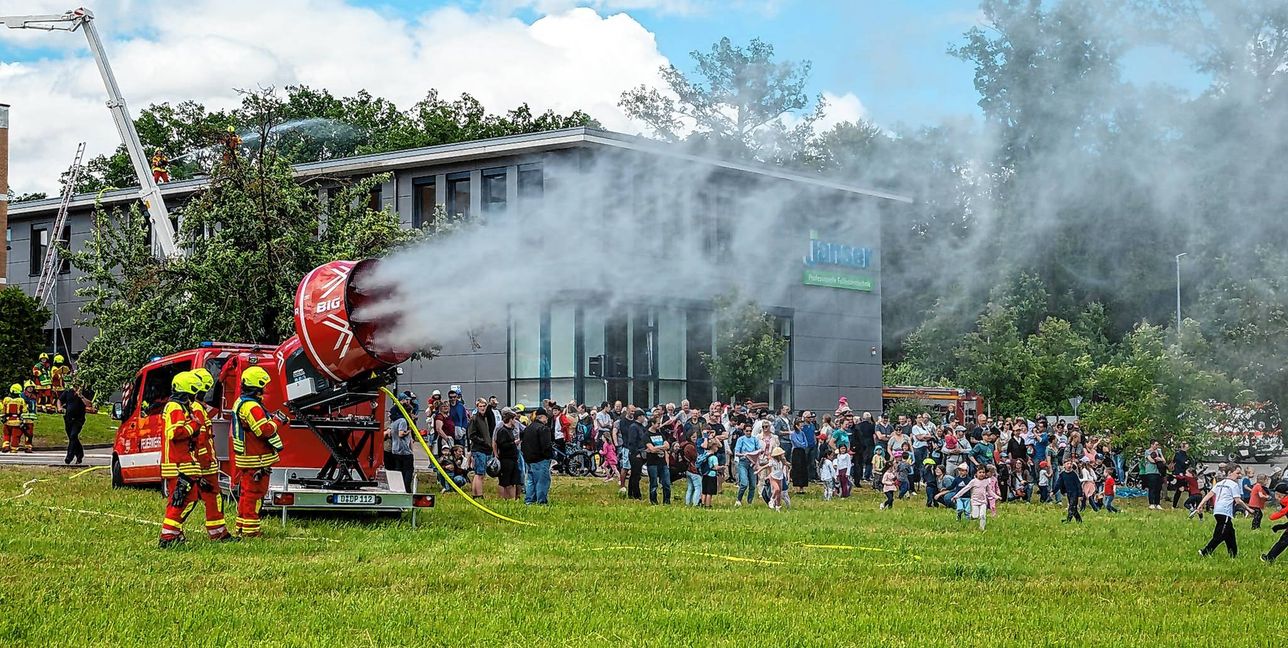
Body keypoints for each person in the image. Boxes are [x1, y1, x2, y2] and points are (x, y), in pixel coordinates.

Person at [232, 366, 285, 538]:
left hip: (250, 457)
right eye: (263, 385)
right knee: (254, 494)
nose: (265, 389)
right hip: (256, 458)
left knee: (246, 493)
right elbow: (264, 430)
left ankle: (241, 526)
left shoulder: (241, 402)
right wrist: (277, 421)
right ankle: (251, 530)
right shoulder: (252, 406)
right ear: (258, 385)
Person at [158, 372, 204, 547]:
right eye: (195, 392)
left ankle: (173, 534)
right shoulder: (176, 408)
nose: (196, 396)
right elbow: (174, 433)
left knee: (186, 499)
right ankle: (168, 537)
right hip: (178, 464)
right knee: (181, 500)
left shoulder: (182, 407)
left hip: (183, 462)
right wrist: (194, 425)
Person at [188, 369, 233, 542]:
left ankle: (218, 532)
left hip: (203, 464)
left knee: (213, 497)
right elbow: (201, 439)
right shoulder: (197, 409)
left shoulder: (198, 407)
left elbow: (213, 412)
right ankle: (217, 533)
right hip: (203, 464)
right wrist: (205, 463)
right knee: (209, 497)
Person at [1195, 464, 1251, 558]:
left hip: (1217, 511)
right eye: (1237, 473)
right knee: (1220, 534)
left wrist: (1201, 504)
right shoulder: (1234, 485)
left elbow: (1210, 494)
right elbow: (1238, 500)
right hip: (1225, 512)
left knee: (1230, 533)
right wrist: (1249, 509)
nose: (1239, 475)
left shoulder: (1220, 483)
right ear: (1229, 473)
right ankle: (1205, 552)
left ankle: (1233, 554)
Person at [520, 409, 554, 505]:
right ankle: (541, 501)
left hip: (529, 459)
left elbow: (523, 443)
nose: (547, 419)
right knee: (542, 481)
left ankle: (529, 500)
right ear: (542, 417)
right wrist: (548, 456)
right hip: (541, 459)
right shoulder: (544, 429)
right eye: (546, 417)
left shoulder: (528, 428)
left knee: (530, 480)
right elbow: (546, 446)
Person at [385, 396, 415, 494]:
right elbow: (401, 434)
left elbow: (390, 434)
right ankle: (407, 490)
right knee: (408, 471)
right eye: (410, 412)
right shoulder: (402, 421)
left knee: (398, 471)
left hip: (395, 450)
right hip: (404, 451)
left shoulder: (394, 422)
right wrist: (409, 431)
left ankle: (398, 489)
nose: (411, 414)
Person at [466, 398, 493, 498]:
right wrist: (483, 442)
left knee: (481, 473)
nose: (482, 408)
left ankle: (476, 494)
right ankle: (478, 495)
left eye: (484, 406)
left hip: (485, 448)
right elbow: (471, 435)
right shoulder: (474, 419)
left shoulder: (485, 418)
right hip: (478, 448)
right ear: (477, 407)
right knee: (479, 473)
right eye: (480, 406)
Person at [493, 408, 522, 500]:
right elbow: (502, 444)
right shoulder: (502, 430)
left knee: (513, 481)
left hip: (513, 458)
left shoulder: (510, 430)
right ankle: (503, 498)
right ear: (510, 419)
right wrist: (514, 443)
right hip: (506, 459)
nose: (515, 421)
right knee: (504, 481)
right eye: (514, 419)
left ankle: (512, 498)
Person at [953, 466, 992, 530]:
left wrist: (996, 496)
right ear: (976, 473)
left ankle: (982, 529)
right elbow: (965, 489)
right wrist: (957, 496)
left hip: (983, 502)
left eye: (983, 472)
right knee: (975, 516)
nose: (982, 474)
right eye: (980, 472)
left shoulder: (986, 481)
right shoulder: (973, 481)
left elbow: (989, 491)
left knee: (983, 516)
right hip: (975, 501)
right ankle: (970, 516)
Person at [645, 415, 672, 505]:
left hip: (663, 463)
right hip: (652, 463)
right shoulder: (647, 435)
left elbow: (667, 446)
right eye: (658, 423)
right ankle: (653, 501)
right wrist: (661, 448)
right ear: (652, 424)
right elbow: (651, 449)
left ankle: (667, 501)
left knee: (666, 483)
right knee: (654, 484)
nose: (659, 425)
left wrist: (657, 448)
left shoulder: (660, 434)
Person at [733, 422, 762, 506]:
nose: (748, 432)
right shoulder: (741, 440)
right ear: (744, 431)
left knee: (753, 484)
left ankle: (749, 502)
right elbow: (737, 452)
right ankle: (739, 499)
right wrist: (744, 454)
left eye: (750, 431)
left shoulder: (755, 439)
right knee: (744, 483)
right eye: (747, 431)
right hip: (743, 462)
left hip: (752, 463)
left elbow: (759, 449)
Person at [60, 384, 90, 465]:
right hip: (68, 418)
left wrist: (81, 396)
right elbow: (60, 400)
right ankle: (80, 454)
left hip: (78, 419)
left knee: (73, 435)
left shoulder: (84, 392)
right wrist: (59, 407)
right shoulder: (68, 391)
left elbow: (89, 404)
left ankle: (69, 457)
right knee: (72, 438)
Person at [1261, 483, 1288, 563]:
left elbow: (1280, 513)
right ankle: (1269, 557)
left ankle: (1269, 558)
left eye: (1276, 495)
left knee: (1283, 542)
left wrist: (1280, 526)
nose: (1275, 497)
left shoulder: (1285, 503)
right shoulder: (1284, 502)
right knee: (1283, 541)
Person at [2, 384, 26, 453]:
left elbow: (4, 409)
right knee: (15, 436)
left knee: (6, 434)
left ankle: (5, 446)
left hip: (7, 420)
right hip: (16, 421)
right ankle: (13, 449)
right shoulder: (21, 400)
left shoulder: (6, 399)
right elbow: (24, 410)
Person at [789, 418, 811, 495]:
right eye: (800, 426)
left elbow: (806, 442)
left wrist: (804, 445)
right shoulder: (793, 434)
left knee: (803, 468)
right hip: (796, 451)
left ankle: (802, 487)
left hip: (802, 452)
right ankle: (796, 486)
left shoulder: (802, 433)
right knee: (797, 468)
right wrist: (802, 445)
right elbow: (796, 442)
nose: (801, 427)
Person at [1141, 441, 1165, 510]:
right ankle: (1151, 503)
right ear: (1152, 445)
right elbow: (1151, 460)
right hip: (1151, 471)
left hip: (1159, 472)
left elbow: (1164, 460)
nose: (1157, 446)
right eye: (1156, 444)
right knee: (1152, 487)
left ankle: (1157, 503)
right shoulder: (1147, 451)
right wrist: (1158, 460)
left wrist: (1159, 459)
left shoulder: (1159, 451)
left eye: (1157, 445)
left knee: (1158, 488)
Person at [700, 439, 721, 507]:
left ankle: (702, 503)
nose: (717, 448)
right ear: (713, 447)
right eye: (717, 447)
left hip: (705, 474)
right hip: (711, 475)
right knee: (710, 492)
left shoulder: (705, 454)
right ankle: (708, 505)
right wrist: (722, 467)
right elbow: (716, 467)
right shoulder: (714, 457)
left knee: (704, 491)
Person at [1170, 441, 1191, 508]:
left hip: (1185, 474)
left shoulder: (1186, 455)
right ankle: (1174, 505)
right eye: (1187, 446)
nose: (1188, 448)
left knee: (1189, 489)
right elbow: (1181, 463)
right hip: (1179, 474)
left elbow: (1187, 463)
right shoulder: (1178, 454)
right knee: (1179, 490)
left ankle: (1190, 504)